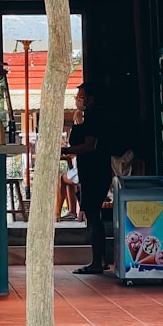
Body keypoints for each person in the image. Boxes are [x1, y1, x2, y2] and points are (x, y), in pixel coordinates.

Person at [61, 82, 113, 274]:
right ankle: (99, 259)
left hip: (95, 172)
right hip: (92, 171)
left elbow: (89, 146)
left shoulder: (94, 117)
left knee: (93, 216)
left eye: (81, 96)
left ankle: (97, 262)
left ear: (91, 98)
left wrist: (67, 150)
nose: (78, 100)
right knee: (93, 215)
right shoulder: (89, 117)